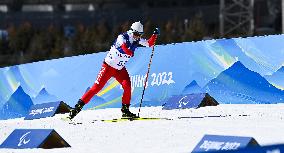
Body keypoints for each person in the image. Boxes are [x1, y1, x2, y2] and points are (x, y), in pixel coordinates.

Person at [69, 21, 160, 119]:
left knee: (128, 86)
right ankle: (76, 108)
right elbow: (123, 49)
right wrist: (130, 51)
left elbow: (150, 43)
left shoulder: (137, 39)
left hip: (120, 69)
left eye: (140, 35)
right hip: (108, 67)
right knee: (96, 88)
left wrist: (154, 35)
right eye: (136, 34)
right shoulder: (122, 37)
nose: (138, 36)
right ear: (132, 31)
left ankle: (125, 111)